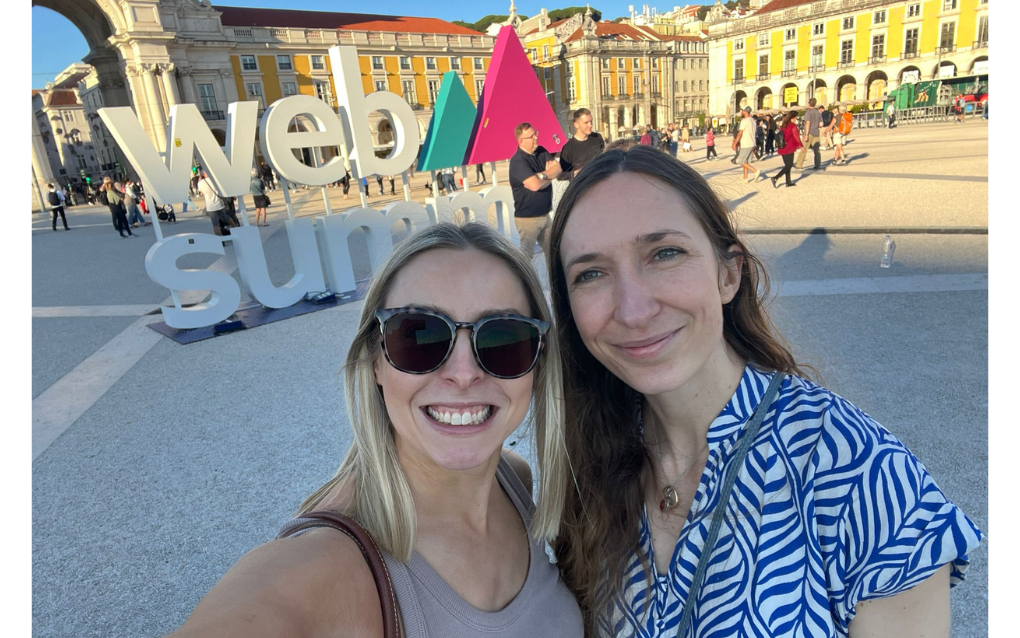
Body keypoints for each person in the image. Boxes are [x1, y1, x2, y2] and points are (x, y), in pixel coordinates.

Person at [545, 144, 982, 637]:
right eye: (591, 273)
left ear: (729, 272)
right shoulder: (589, 459)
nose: (633, 309)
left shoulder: (860, 475)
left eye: (664, 253)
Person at [164, 222, 582, 638]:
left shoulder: (513, 480)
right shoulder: (325, 563)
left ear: (539, 362)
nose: (463, 374)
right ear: (375, 360)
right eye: (419, 336)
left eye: (503, 339)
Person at [508, 122, 561, 259]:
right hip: (528, 220)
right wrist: (549, 174)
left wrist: (542, 175)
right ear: (521, 141)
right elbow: (535, 185)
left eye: (535, 133)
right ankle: (526, 281)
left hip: (545, 216)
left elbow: (558, 169)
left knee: (554, 253)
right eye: (531, 136)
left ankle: (554, 280)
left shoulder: (541, 151)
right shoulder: (518, 161)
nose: (536, 138)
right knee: (526, 259)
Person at [557, 108, 605, 213]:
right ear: (576, 125)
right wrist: (578, 172)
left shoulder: (597, 138)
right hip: (581, 194)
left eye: (591, 121)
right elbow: (561, 175)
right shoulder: (568, 148)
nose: (590, 125)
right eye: (586, 122)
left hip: (601, 190)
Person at [770, 110, 803, 188]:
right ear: (793, 118)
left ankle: (788, 181)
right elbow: (796, 136)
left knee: (787, 165)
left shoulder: (783, 125)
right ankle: (776, 177)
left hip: (782, 146)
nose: (796, 119)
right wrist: (801, 146)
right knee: (789, 165)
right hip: (789, 147)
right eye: (796, 117)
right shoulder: (792, 126)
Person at [197, 170, 232, 235]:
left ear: (202, 175)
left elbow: (201, 194)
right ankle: (235, 227)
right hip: (219, 203)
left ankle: (220, 238)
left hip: (210, 206)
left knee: (215, 224)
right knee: (226, 217)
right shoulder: (214, 180)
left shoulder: (200, 183)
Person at [732, 106, 761, 183]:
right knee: (746, 162)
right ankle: (745, 178)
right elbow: (754, 133)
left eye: (742, 111)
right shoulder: (753, 121)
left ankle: (755, 171)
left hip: (746, 143)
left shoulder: (744, 121)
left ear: (745, 112)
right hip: (752, 143)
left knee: (741, 162)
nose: (741, 112)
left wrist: (734, 143)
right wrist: (755, 145)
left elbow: (740, 134)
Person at [796, 97, 823, 171]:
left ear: (809, 104)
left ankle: (799, 164)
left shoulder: (808, 113)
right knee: (817, 150)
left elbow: (807, 123)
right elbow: (821, 124)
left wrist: (806, 135)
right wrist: (816, 125)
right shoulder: (818, 113)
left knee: (804, 148)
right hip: (816, 132)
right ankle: (817, 164)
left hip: (809, 132)